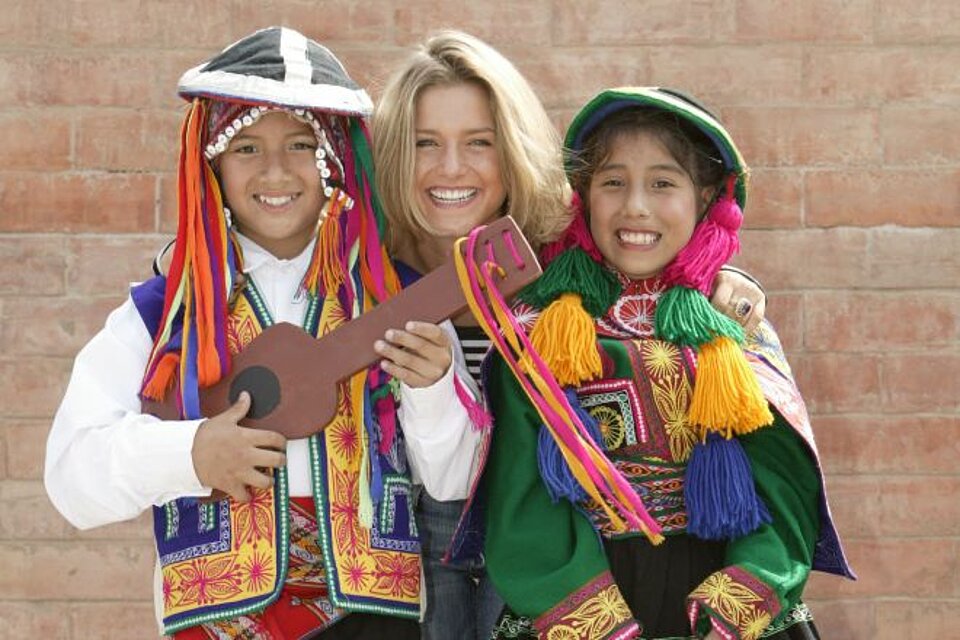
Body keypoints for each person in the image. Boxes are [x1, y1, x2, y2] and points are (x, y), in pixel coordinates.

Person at [44, 27, 475, 639]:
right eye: (245, 147)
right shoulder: (163, 315)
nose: (276, 171)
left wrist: (434, 390)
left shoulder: (396, 300)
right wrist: (189, 454)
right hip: (215, 624)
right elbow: (72, 479)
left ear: (337, 158)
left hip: (373, 623)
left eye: (302, 145)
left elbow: (453, 483)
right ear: (210, 161)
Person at [371, 32, 772, 640]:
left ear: (513, 149)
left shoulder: (559, 261)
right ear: (396, 152)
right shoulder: (362, 271)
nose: (451, 167)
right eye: (426, 143)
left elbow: (655, 250)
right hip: (411, 569)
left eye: (480, 143)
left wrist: (724, 274)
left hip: (545, 570)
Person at [479, 87, 854, 640]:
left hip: (714, 595)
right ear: (582, 195)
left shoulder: (734, 329)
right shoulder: (541, 331)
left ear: (706, 196)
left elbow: (781, 481)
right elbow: (520, 490)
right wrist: (589, 615)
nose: (635, 205)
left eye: (662, 183)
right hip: (582, 591)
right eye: (612, 182)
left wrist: (746, 588)